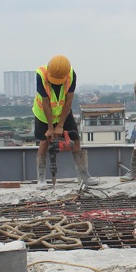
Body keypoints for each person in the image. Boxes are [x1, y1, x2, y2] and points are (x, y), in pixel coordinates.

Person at [32, 54, 98, 188]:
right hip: (43, 115)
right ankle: (41, 178)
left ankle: (84, 175)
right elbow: (45, 102)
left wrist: (60, 125)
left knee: (75, 139)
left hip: (63, 112)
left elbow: (69, 100)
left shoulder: (71, 75)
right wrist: (51, 128)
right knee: (44, 141)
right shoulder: (41, 74)